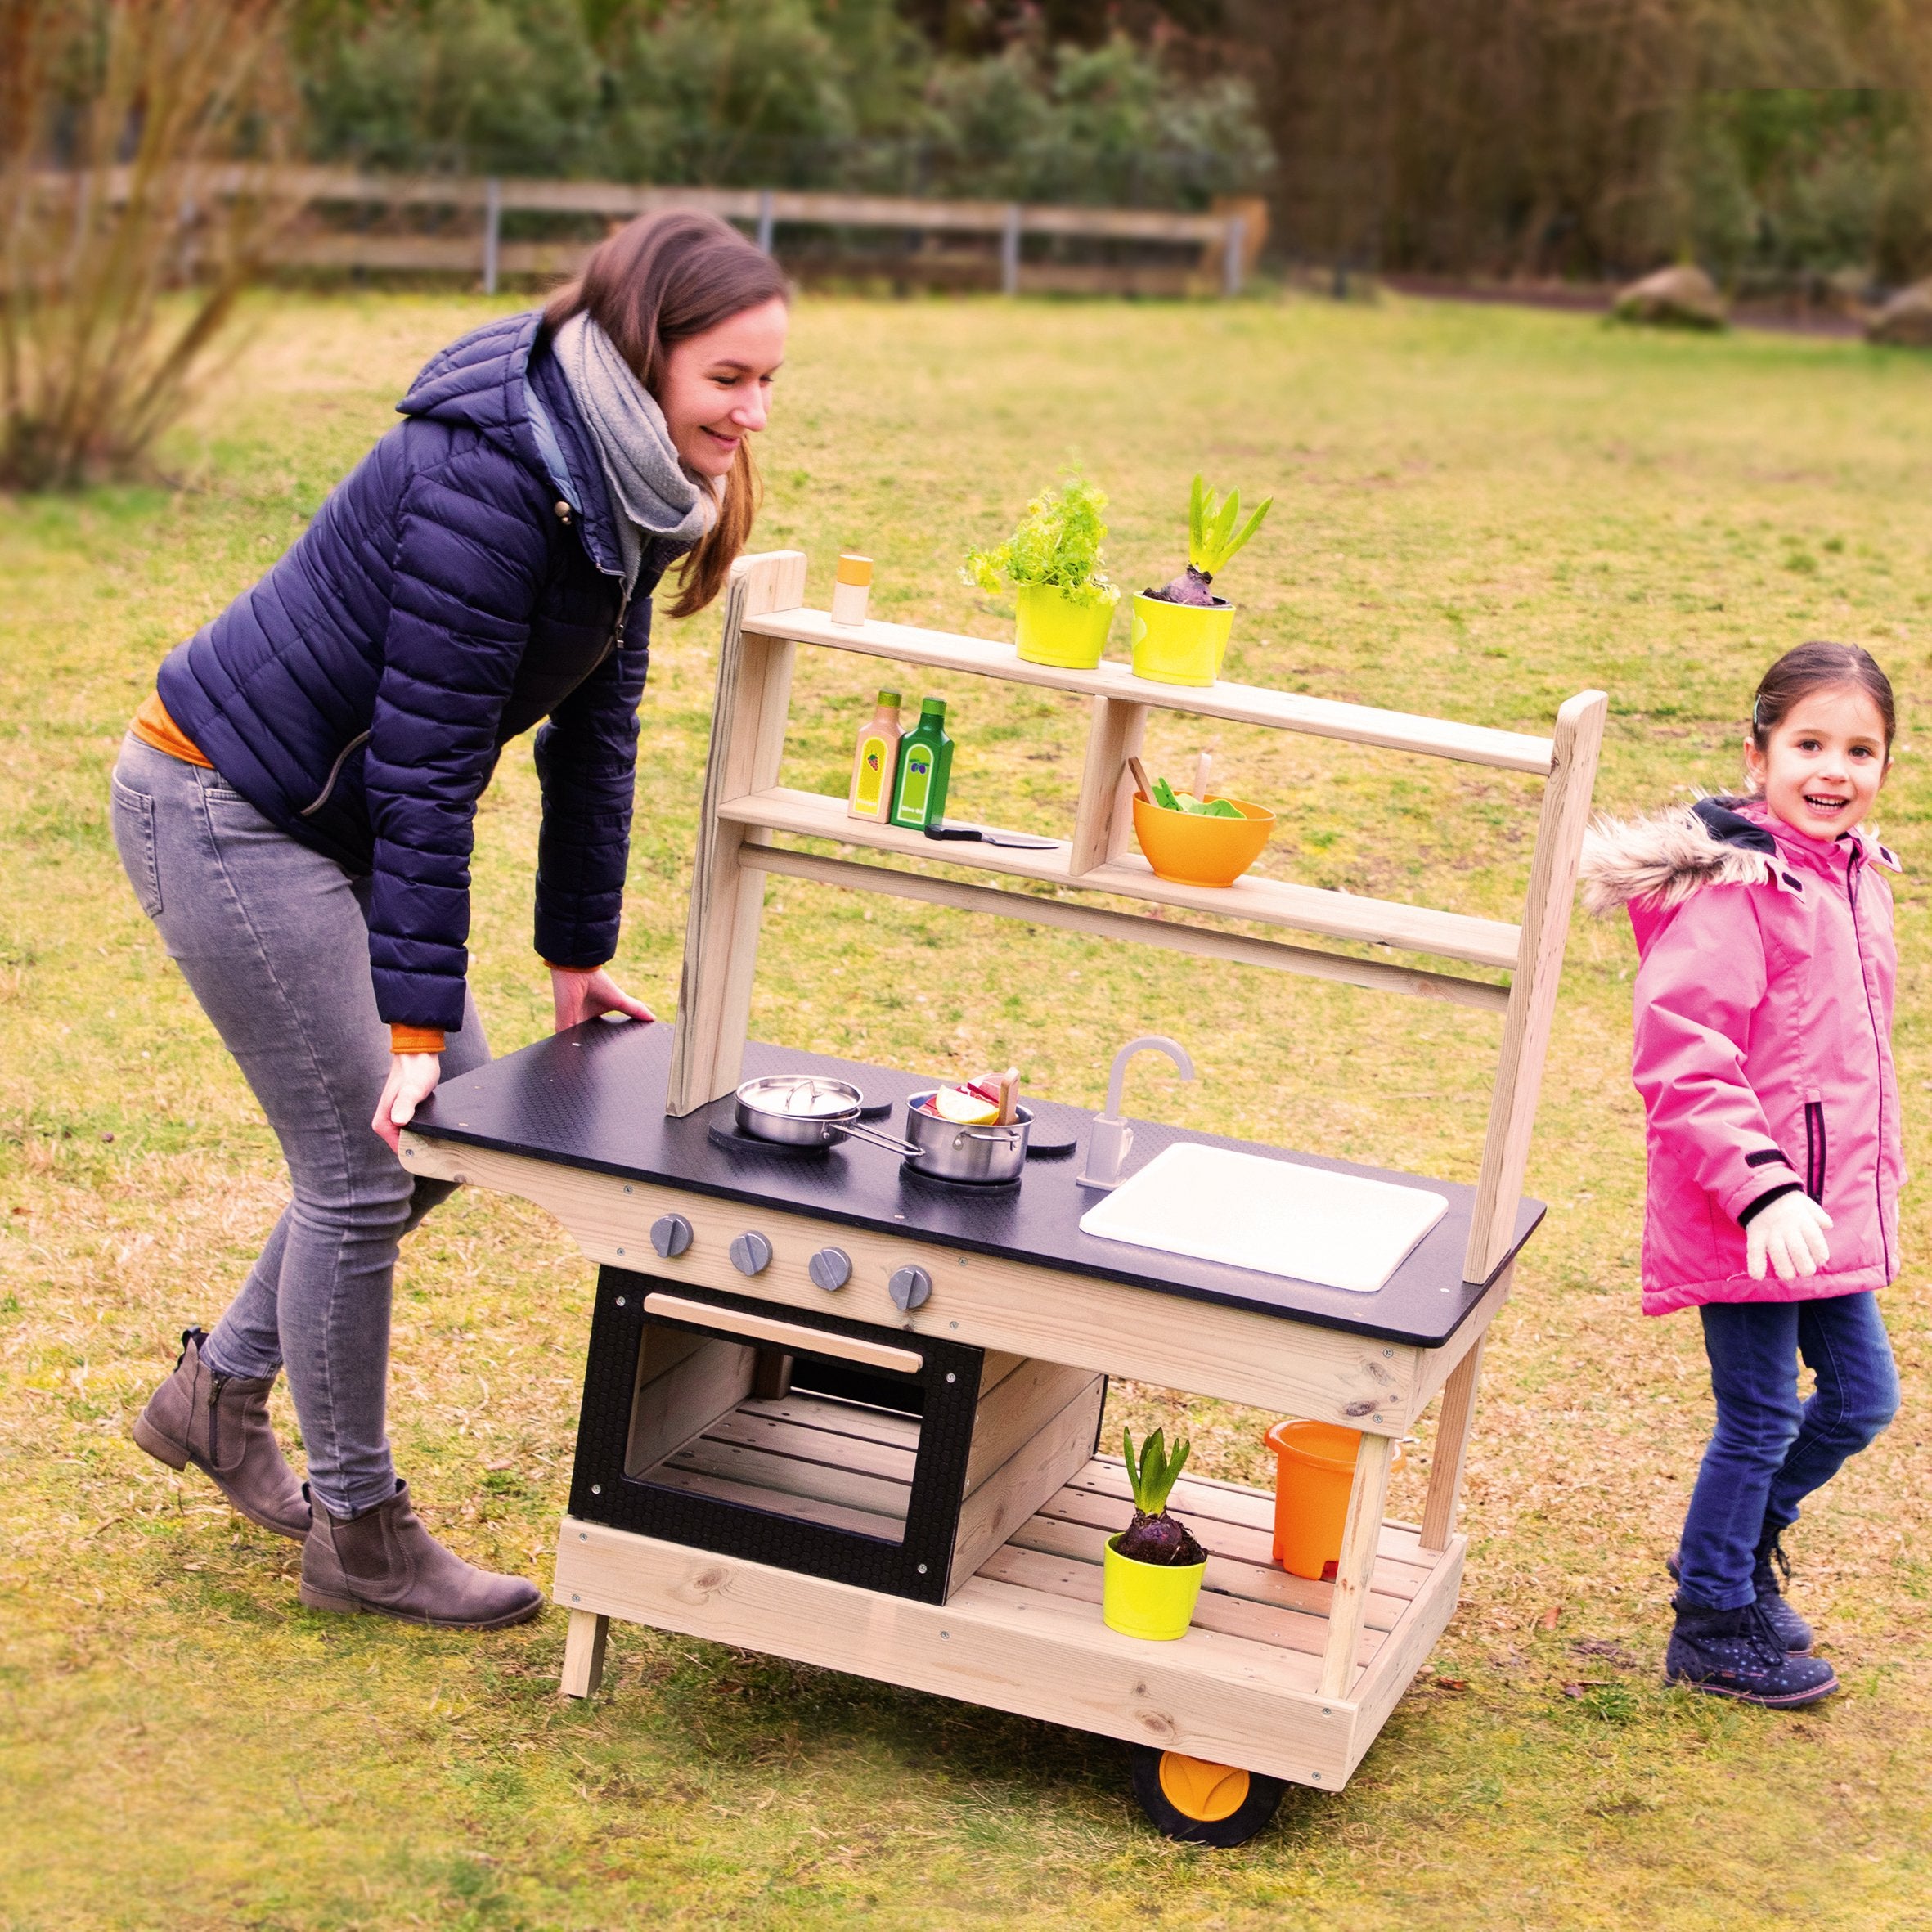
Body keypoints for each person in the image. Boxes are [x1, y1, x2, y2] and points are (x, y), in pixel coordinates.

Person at [112, 210, 789, 1629]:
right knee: (367, 1166)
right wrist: (414, 1028)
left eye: (767, 380)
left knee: (445, 1138)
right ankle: (358, 1532)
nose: (752, 413)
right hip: (226, 801)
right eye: (727, 378)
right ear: (645, 351)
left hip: (330, 819)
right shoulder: (495, 478)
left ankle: (217, 1393)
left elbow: (596, 736)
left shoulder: (621, 481)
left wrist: (575, 954)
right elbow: (424, 768)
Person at [1579, 641, 1903, 1705]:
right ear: (1757, 755)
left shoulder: (1852, 879)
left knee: (1860, 1400)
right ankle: (1713, 1623)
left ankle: (1732, 1553)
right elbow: (1682, 1057)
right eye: (1809, 743)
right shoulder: (1737, 890)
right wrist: (1761, 1186)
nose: (1833, 769)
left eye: (1859, 749)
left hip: (1821, 1214)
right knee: (1760, 1415)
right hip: (1745, 1209)